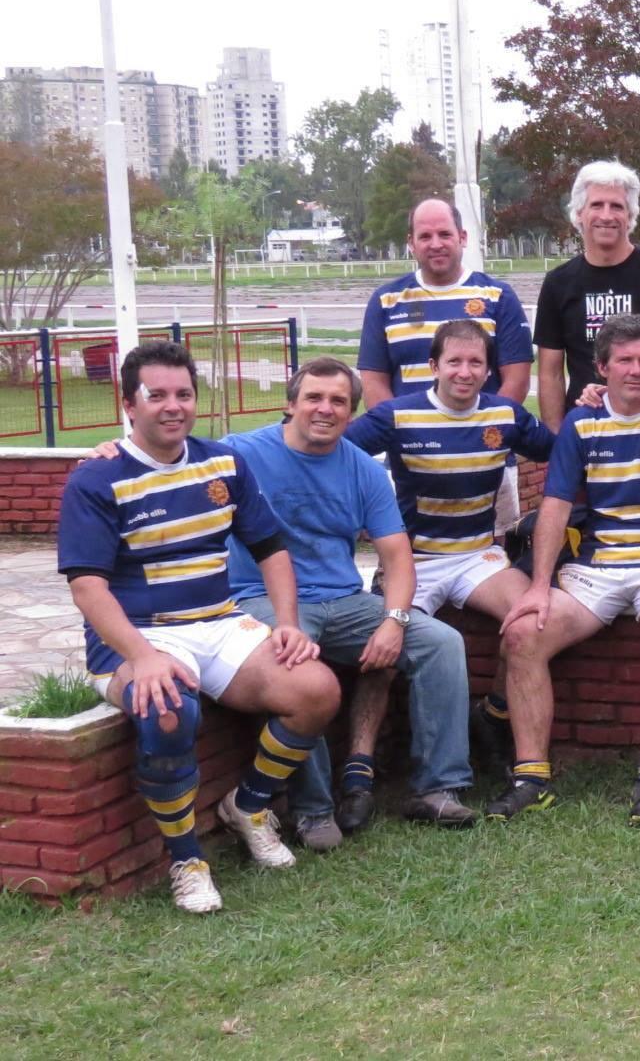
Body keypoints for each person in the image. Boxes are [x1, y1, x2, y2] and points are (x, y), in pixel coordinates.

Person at [91, 357, 482, 845]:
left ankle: (438, 788)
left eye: (338, 401)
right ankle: (313, 810)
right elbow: (166, 450)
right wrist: (109, 450)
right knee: (293, 657)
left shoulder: (364, 470)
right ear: (290, 404)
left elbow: (399, 558)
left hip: (344, 600)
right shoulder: (240, 453)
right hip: (258, 599)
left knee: (441, 642)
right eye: (313, 398)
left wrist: (395, 621)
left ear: (351, 412)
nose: (325, 409)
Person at [57, 342, 339, 914]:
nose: (172, 406)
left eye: (183, 394)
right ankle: (187, 859)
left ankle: (249, 806)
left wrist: (286, 623)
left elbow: (271, 549)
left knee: (316, 689)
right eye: (155, 394)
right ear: (127, 403)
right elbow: (88, 588)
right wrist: (141, 656)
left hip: (217, 621)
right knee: (166, 708)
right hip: (137, 635)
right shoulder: (96, 480)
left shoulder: (224, 464)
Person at [495, 315, 640, 823]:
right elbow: (555, 506)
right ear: (601, 367)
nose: (636, 371)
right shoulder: (580, 421)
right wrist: (539, 587)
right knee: (523, 635)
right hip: (597, 566)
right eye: (625, 361)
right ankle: (532, 777)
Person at [344, 320, 556, 815]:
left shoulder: (504, 413)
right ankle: (358, 769)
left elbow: (565, 451)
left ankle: (494, 716)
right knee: (383, 648)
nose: (465, 372)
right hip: (412, 560)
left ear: (489, 369)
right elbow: (327, 448)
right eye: (454, 362)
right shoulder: (397, 415)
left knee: (531, 618)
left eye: (475, 363)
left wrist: (591, 408)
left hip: (477, 554)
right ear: (433, 366)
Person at [534, 160, 640, 411]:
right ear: (580, 212)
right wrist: (558, 439)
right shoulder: (558, 283)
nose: (606, 215)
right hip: (586, 432)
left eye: (616, 206)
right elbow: (550, 375)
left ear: (630, 215)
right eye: (596, 205)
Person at [356, 198, 532, 406]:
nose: (436, 244)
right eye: (425, 236)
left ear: (462, 237)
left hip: (479, 435)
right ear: (411, 243)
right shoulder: (385, 301)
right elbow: (373, 384)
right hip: (407, 437)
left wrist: (484, 427)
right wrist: (401, 432)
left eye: (445, 234)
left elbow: (517, 381)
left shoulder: (499, 297)